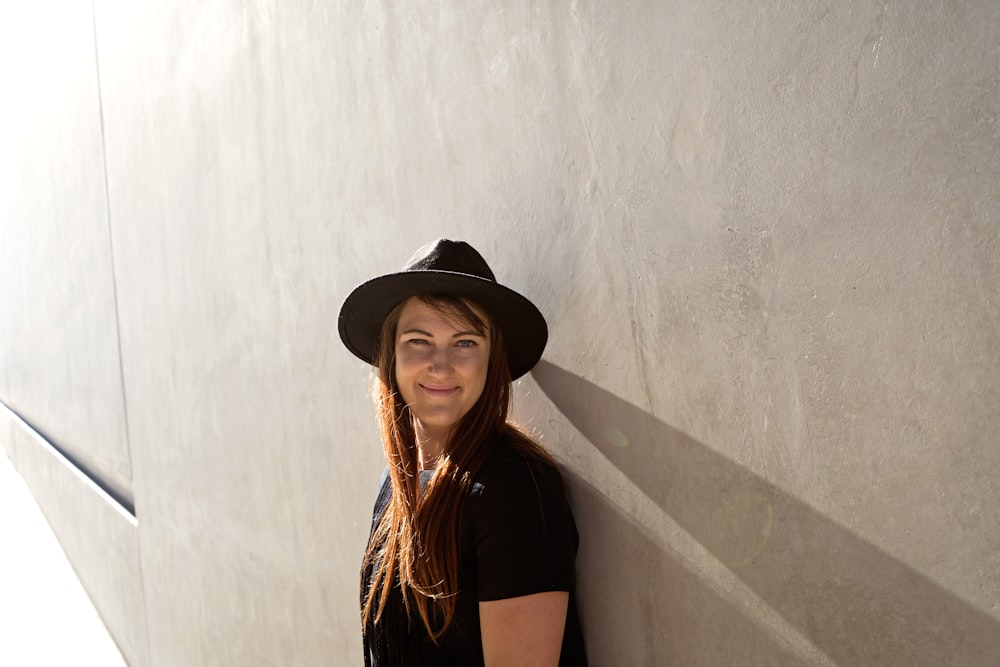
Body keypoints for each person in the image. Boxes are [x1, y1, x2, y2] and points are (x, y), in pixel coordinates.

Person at [338, 239, 587, 666]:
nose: (440, 363)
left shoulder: (513, 491)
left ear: (493, 360)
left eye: (465, 342)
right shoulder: (394, 484)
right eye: (419, 340)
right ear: (391, 355)